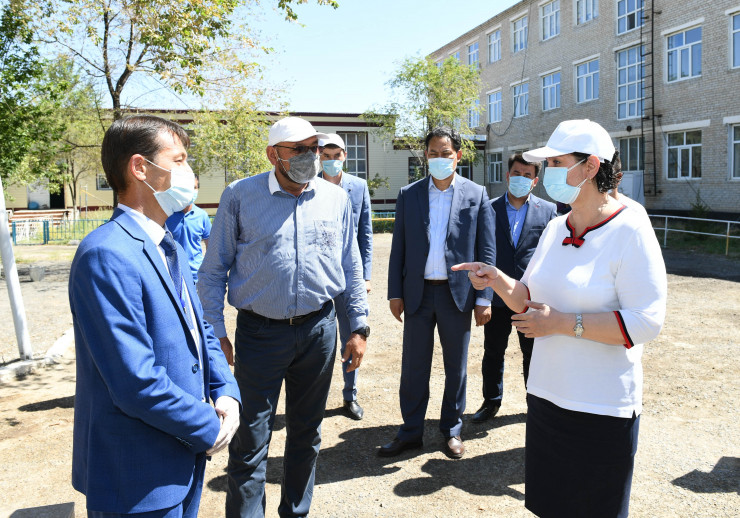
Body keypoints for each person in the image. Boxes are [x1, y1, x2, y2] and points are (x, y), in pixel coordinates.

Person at [453, 119, 667, 517]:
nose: (548, 172)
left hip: (602, 407)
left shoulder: (630, 228)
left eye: (556, 163)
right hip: (547, 398)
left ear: (591, 166)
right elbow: (528, 299)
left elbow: (646, 321)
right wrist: (496, 278)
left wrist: (563, 323)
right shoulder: (555, 228)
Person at [69, 115, 241, 517]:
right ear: (140, 168)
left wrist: (226, 391)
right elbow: (136, 381)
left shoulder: (167, 244)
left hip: (181, 462)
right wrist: (209, 425)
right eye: (178, 160)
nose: (190, 172)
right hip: (136, 476)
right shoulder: (106, 254)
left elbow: (199, 330)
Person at [197, 116, 369, 518]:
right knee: (250, 438)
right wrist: (216, 334)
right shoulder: (240, 196)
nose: (312, 156)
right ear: (273, 154)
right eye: (300, 149)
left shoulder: (335, 198)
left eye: (315, 148)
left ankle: (296, 511)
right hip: (260, 334)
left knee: (307, 434)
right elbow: (212, 272)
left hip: (319, 330)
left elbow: (351, 266)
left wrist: (358, 326)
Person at [380, 126, 496, 459]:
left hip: (456, 296)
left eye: (446, 153)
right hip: (417, 295)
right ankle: (410, 432)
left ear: (457, 156)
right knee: (413, 367)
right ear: (425, 156)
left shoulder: (476, 194)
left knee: (455, 367)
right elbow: (399, 249)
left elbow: (486, 251)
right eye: (433, 153)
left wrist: (484, 298)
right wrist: (395, 293)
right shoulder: (409, 194)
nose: (440, 158)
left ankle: (452, 430)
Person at [472, 154, 557, 424]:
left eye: (527, 175)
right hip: (497, 296)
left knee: (532, 353)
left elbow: (552, 255)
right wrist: (483, 298)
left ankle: (535, 403)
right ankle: (491, 402)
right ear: (508, 176)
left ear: (535, 181)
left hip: (530, 299)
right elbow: (481, 253)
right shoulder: (488, 208)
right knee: (493, 352)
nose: (521, 178)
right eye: (517, 173)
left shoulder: (549, 211)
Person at [318, 133, 373, 420]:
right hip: (319, 276)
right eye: (325, 156)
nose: (331, 161)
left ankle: (349, 395)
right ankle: (313, 397)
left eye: (336, 156)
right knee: (317, 340)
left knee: (352, 334)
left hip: (349, 276)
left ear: (344, 156)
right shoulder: (309, 185)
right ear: (319, 157)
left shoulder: (358, 186)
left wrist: (366, 275)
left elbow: (365, 233)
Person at [166, 175, 211, 282]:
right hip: (174, 276)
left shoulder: (202, 216)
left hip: (197, 277)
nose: (192, 191)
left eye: (195, 187)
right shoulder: (166, 215)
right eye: (188, 187)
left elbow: (211, 248)